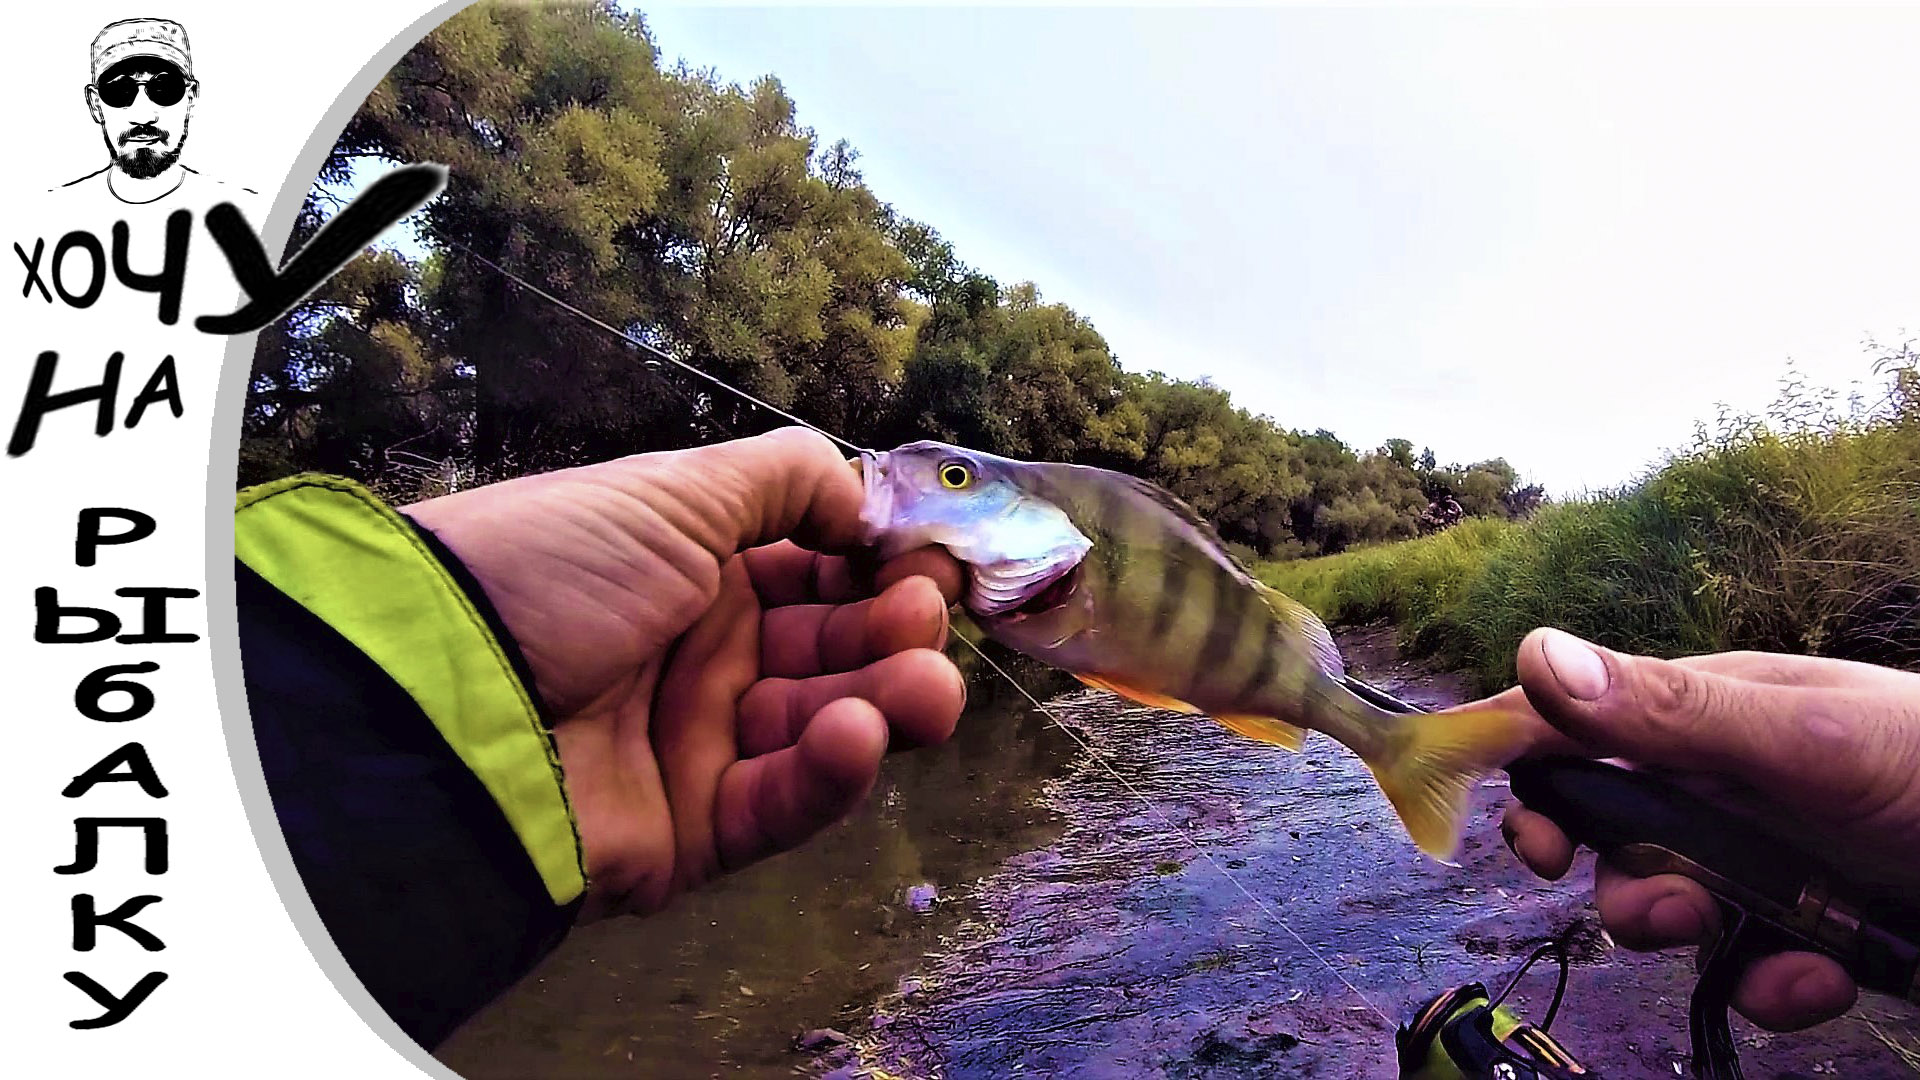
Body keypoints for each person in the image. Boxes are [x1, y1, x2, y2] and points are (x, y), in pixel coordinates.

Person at [235, 425, 1917, 1049]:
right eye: (929, 474)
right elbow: (1135, 657)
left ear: (1028, 515)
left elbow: (1188, 651)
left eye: (958, 478)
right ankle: (1404, 753)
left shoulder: (1069, 568)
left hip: (1282, 673)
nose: (919, 484)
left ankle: (1400, 750)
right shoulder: (1025, 586)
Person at [56, 18, 258, 207]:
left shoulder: (251, 213)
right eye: (120, 91)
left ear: (191, 97)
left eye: (164, 89)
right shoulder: (53, 212)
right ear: (94, 103)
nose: (143, 116)